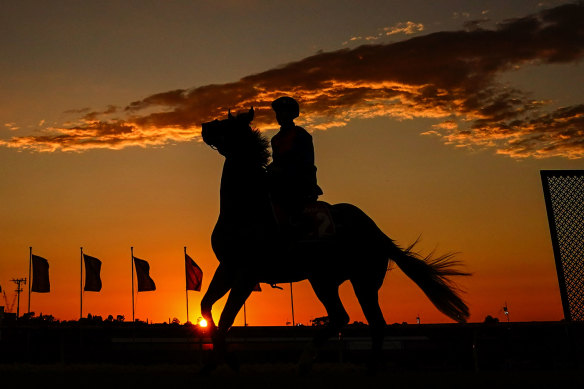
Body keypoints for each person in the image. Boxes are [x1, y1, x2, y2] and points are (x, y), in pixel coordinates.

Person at [267, 96, 323, 230]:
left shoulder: (301, 135)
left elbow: (306, 162)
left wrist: (283, 170)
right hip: (281, 182)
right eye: (278, 112)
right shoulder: (275, 139)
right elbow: (277, 160)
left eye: (283, 112)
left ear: (291, 114)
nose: (279, 115)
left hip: (299, 183)